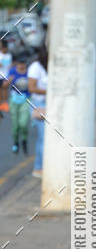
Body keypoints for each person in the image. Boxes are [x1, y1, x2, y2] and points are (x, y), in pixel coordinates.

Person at [27, 45, 48, 179]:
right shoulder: (35, 67)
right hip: (39, 104)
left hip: (50, 104)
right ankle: (39, 167)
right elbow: (31, 88)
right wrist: (50, 91)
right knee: (44, 137)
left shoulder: (50, 67)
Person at [3, 54, 30, 154]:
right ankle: (15, 143)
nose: (21, 65)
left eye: (23, 63)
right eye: (19, 63)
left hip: (26, 99)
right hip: (14, 99)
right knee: (15, 125)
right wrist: (8, 80)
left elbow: (32, 86)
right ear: (16, 63)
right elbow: (4, 86)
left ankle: (24, 140)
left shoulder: (29, 72)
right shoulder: (12, 71)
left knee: (23, 123)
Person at [0, 40, 12, 114]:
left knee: (5, 90)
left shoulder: (9, 55)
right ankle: (1, 104)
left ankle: (5, 104)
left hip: (6, 76)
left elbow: (10, 65)